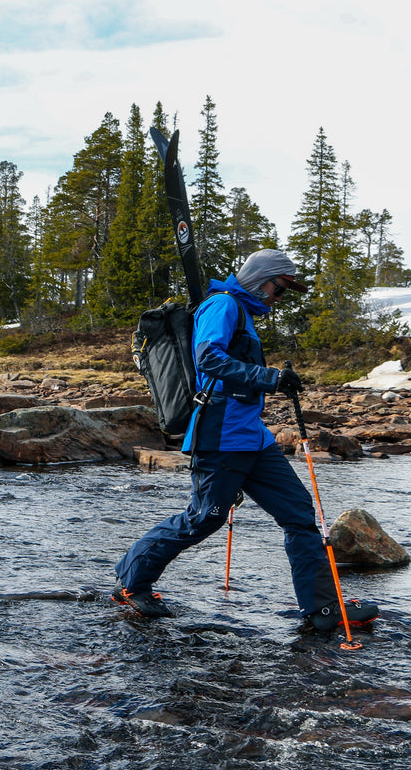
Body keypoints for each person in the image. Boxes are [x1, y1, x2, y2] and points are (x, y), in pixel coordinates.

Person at [112, 249, 380, 632]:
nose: (279, 297)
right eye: (280, 288)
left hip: (252, 437)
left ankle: (323, 610)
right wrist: (270, 378)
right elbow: (208, 358)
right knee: (203, 518)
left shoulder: (243, 314)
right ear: (261, 278)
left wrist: (269, 380)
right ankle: (131, 581)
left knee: (299, 514)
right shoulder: (222, 306)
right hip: (220, 435)